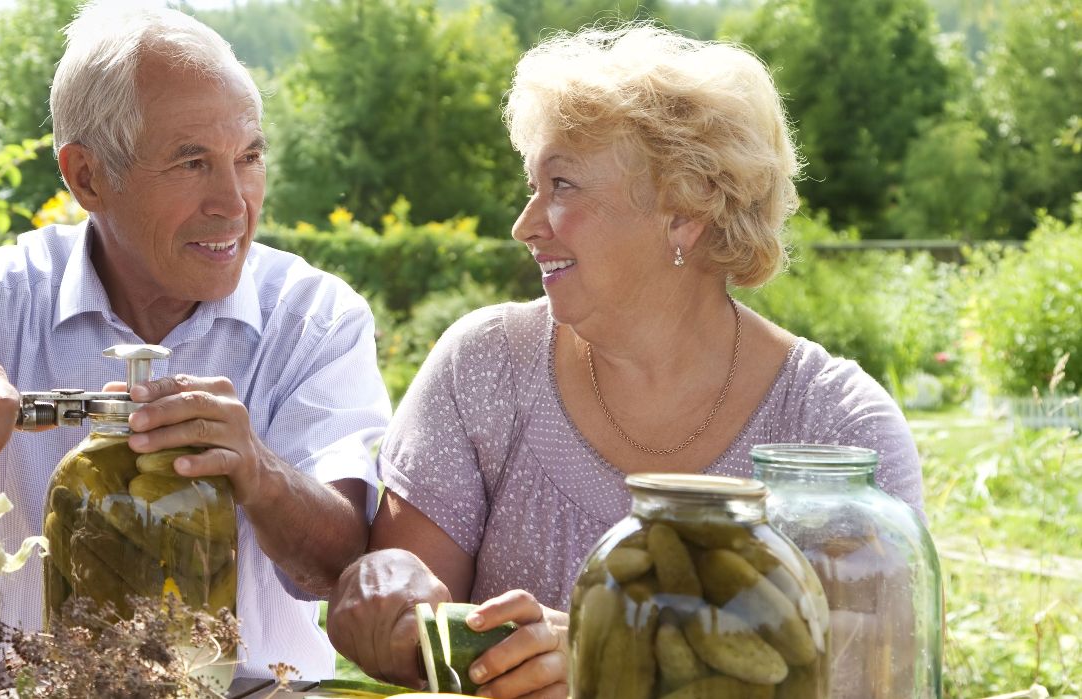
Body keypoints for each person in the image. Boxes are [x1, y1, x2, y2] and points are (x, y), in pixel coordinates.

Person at [0, 3, 389, 681]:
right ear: (86, 176)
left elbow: (345, 560)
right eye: (192, 162)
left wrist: (258, 470)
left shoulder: (316, 317)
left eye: (249, 157)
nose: (234, 203)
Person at [326, 24, 925, 699]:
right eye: (533, 184)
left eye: (562, 185)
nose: (525, 224)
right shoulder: (482, 366)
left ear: (684, 212)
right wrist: (384, 598)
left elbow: (869, 678)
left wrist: (604, 661)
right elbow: (408, 626)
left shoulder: (840, 429)